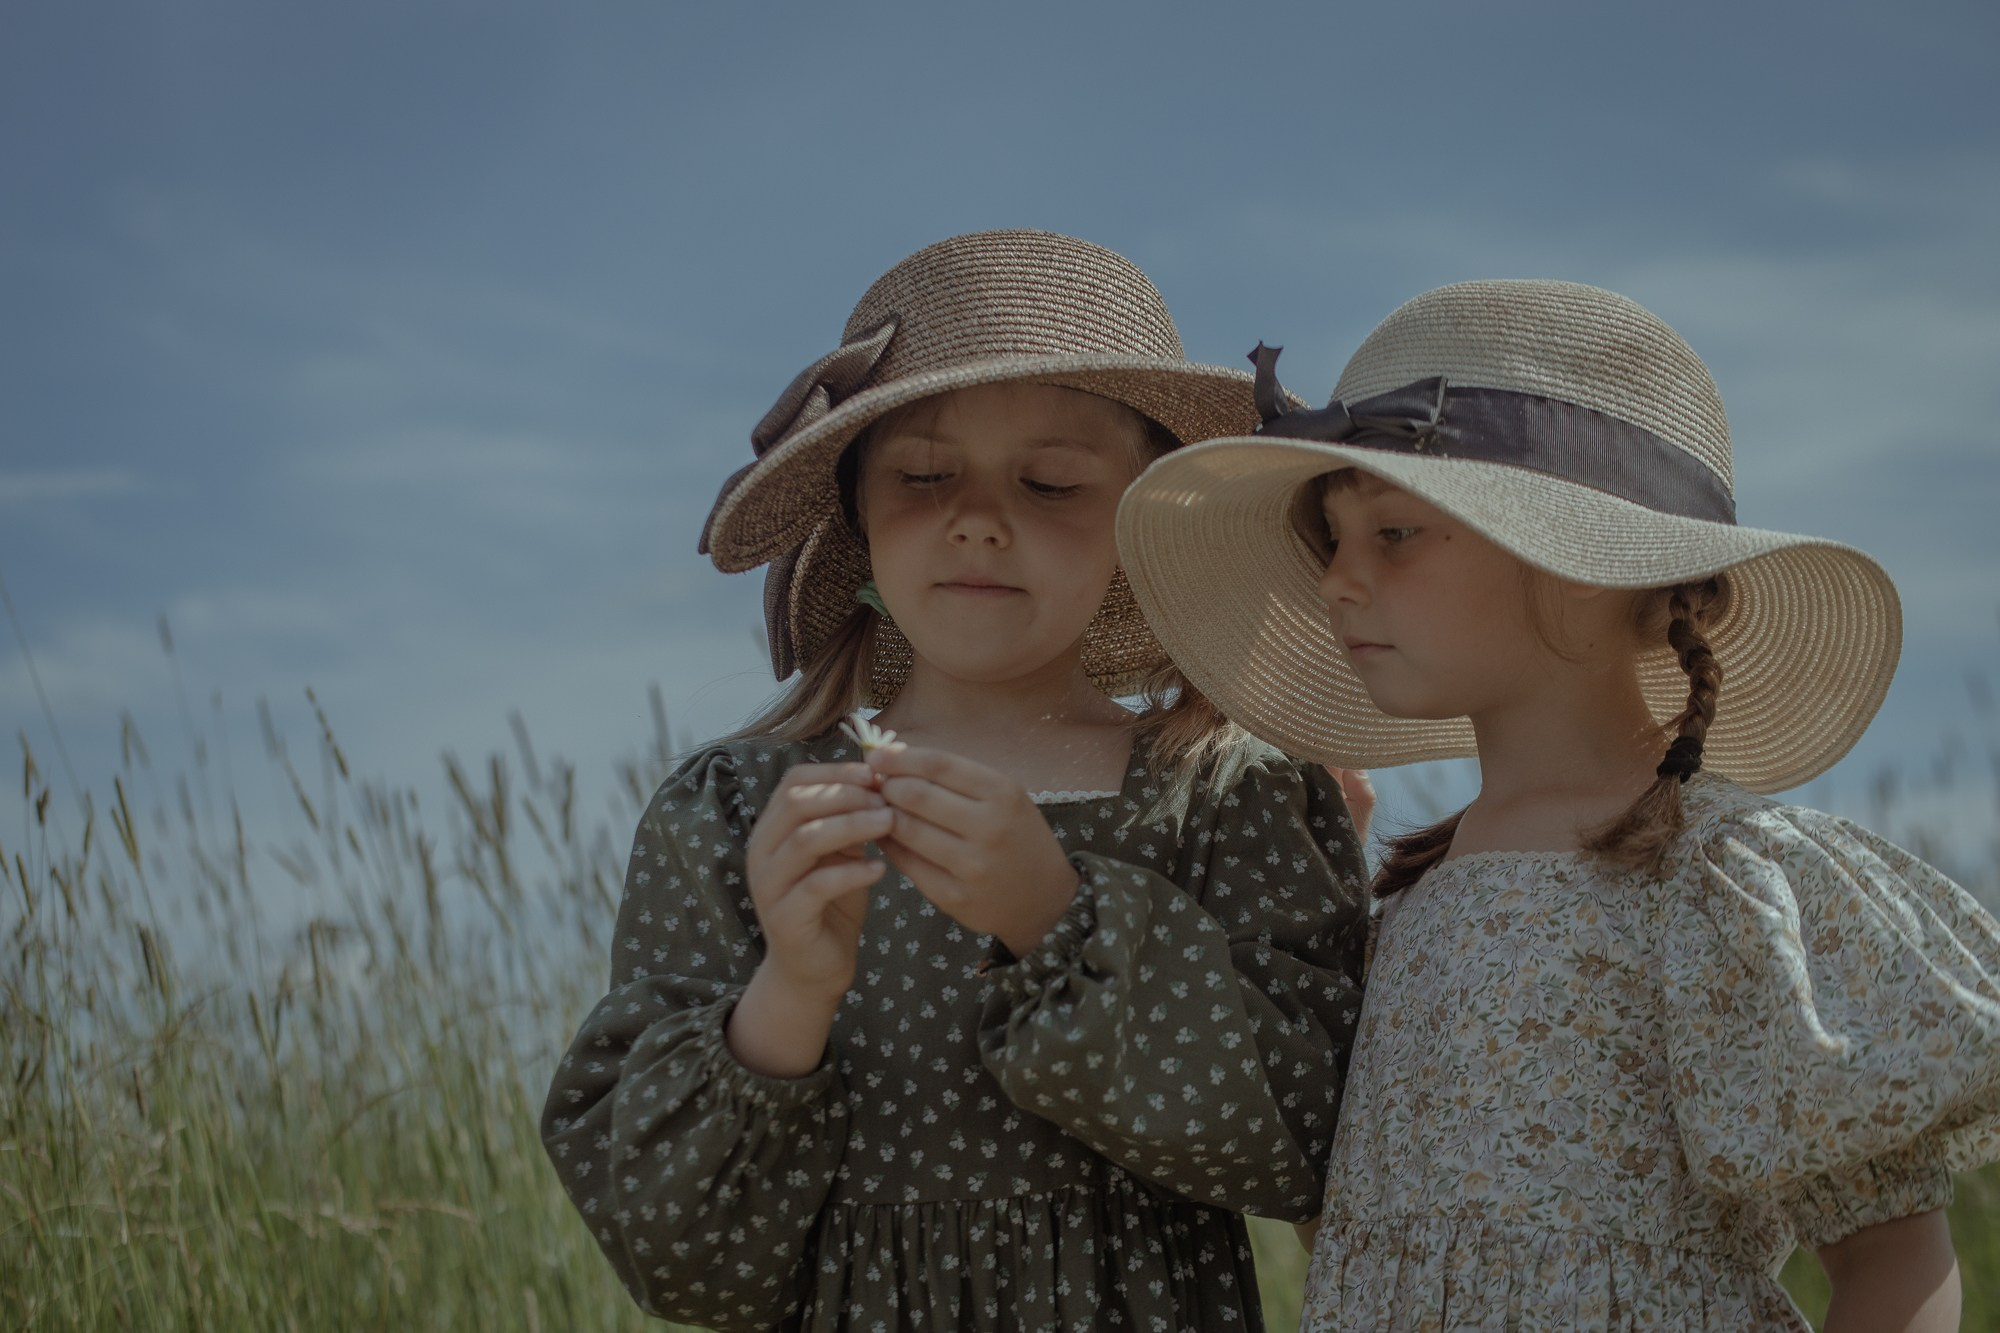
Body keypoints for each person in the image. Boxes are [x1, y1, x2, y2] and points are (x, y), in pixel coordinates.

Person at [1114, 278, 2000, 1331]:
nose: (1336, 581)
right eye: (1332, 540)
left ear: (1576, 559)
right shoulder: (1409, 897)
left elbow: (1891, 1264)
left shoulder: (1726, 883)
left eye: (1392, 534)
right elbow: (1363, 1239)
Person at [541, 229, 1371, 1331]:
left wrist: (1056, 914)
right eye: (924, 475)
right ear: (861, 519)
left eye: (1051, 480)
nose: (979, 516)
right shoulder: (737, 810)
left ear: (1138, 526)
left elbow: (1304, 1142)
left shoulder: (1223, 793)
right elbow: (684, 1264)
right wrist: (787, 994)